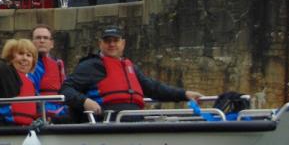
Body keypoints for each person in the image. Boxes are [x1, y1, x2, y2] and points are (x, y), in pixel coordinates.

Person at [60, 27, 202, 121]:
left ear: (123, 43)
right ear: (100, 44)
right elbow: (66, 89)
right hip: (107, 122)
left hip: (135, 120)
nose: (112, 44)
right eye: (107, 41)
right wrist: (85, 102)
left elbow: (153, 88)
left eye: (115, 41)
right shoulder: (90, 66)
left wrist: (184, 94)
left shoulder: (130, 67)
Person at [0, 20, 44, 126]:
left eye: (29, 55)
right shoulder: (3, 71)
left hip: (27, 130)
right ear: (11, 57)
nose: (25, 58)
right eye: (20, 54)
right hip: (3, 129)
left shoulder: (30, 81)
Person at [31, 24, 68, 119]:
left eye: (45, 38)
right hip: (41, 112)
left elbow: (66, 90)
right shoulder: (26, 65)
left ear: (51, 43)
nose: (42, 41)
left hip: (60, 109)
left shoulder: (58, 65)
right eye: (38, 38)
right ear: (31, 42)